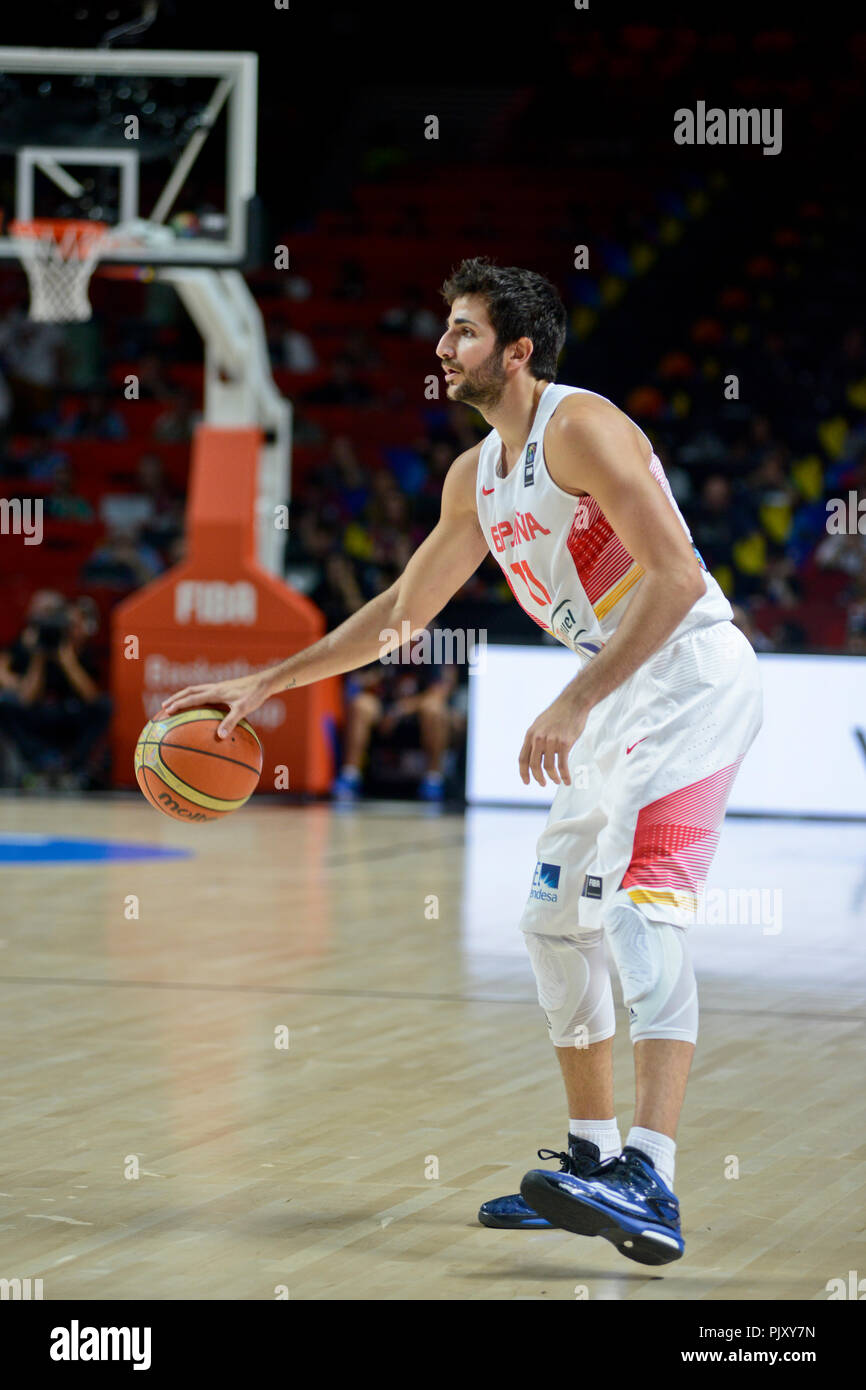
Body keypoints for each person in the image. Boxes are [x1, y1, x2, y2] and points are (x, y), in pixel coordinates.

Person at [159, 258, 762, 1266]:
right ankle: (590, 1159)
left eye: (463, 331)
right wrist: (269, 680)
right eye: (444, 329)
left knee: (637, 912)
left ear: (516, 351)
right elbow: (401, 615)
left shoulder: (583, 426)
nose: (441, 348)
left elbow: (677, 576)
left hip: (689, 675)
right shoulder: (473, 476)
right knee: (550, 919)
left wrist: (573, 698)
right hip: (616, 693)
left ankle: (650, 1179)